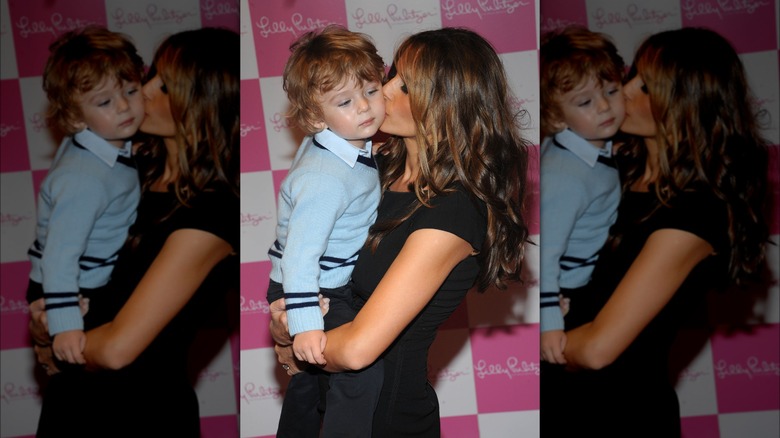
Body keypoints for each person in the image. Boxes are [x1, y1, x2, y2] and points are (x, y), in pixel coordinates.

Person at [270, 27, 529, 437]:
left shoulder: (454, 210)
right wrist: (290, 333)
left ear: (445, 103)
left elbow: (357, 349)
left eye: (405, 85)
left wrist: (293, 337)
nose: (382, 90)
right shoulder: (373, 168)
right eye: (390, 74)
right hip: (325, 400)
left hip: (384, 419)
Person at [540, 27, 769, 437]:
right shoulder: (615, 173)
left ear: (684, 105)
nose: (623, 92)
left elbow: (596, 349)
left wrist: (529, 345)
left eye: (644, 87)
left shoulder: (697, 212)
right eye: (631, 77)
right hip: (563, 402)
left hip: (620, 413)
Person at [29, 27, 239, 438]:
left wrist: (54, 336)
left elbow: (117, 349)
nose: (141, 92)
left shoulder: (213, 213)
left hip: (138, 414)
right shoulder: (128, 173)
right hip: (72, 403)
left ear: (203, 101)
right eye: (150, 75)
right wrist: (48, 327)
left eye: (164, 85)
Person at [266, 25, 385, 438]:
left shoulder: (345, 145)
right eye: (346, 101)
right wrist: (305, 322)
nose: (365, 108)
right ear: (316, 117)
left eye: (371, 90)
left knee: (308, 383)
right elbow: (301, 253)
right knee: (360, 374)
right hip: (314, 289)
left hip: (315, 283)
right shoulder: (326, 178)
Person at [25, 26, 144, 366]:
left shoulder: (106, 145)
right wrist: (64, 324)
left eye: (132, 90)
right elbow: (60, 255)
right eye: (105, 102)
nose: (124, 107)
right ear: (75, 117)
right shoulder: (83, 178)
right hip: (71, 288)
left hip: (83, 279)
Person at [538, 26, 625, 365]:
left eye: (613, 90)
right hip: (568, 297)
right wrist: (549, 322)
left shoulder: (587, 148)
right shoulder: (566, 176)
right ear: (556, 116)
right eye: (585, 102)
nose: (605, 107)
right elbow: (546, 253)